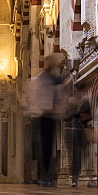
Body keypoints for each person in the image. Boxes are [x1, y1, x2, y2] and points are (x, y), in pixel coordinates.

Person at [23, 54, 63, 186]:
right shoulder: (39, 79)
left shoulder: (54, 79)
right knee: (40, 147)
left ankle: (48, 177)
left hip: (49, 116)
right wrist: (33, 111)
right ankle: (42, 176)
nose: (51, 65)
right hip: (40, 117)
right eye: (49, 63)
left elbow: (58, 95)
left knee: (49, 147)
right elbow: (33, 96)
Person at [66, 81, 92, 187]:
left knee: (80, 155)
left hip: (80, 130)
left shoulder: (85, 101)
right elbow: (66, 116)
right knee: (72, 155)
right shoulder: (70, 102)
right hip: (70, 130)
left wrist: (84, 118)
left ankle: (76, 177)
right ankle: (73, 177)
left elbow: (88, 116)